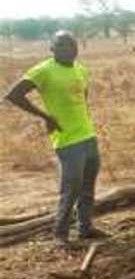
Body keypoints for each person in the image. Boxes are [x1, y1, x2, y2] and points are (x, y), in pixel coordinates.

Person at [6, 31, 107, 247]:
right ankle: (60, 234)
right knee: (71, 188)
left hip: (88, 135)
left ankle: (85, 228)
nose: (69, 49)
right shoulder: (43, 70)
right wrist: (45, 116)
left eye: (72, 44)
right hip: (67, 139)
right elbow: (13, 95)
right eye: (62, 45)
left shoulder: (81, 70)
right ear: (52, 48)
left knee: (88, 186)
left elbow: (82, 100)